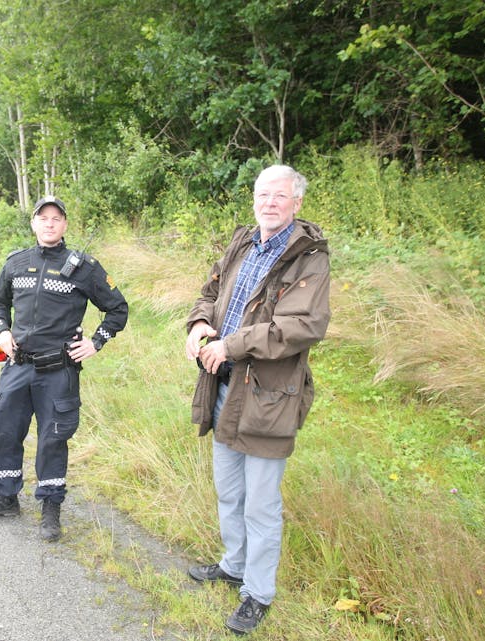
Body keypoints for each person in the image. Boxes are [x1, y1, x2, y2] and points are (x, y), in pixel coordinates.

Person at [184, 165, 330, 635]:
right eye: (263, 194)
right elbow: (210, 292)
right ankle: (234, 566)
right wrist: (200, 324)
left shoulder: (309, 258)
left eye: (280, 196)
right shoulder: (243, 243)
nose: (270, 203)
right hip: (223, 387)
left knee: (261, 504)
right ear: (253, 199)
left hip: (269, 396)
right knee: (230, 490)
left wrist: (231, 345)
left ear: (296, 203)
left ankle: (258, 593)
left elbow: (300, 327)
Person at [0, 196, 128, 541]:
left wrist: (96, 342)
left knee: (53, 439)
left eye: (56, 218)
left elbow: (118, 308)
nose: (50, 224)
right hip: (17, 366)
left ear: (65, 224)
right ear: (34, 223)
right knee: (6, 431)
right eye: (43, 218)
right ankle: (6, 496)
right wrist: (2, 331)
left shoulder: (85, 267)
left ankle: (50, 507)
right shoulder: (16, 262)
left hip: (59, 372)